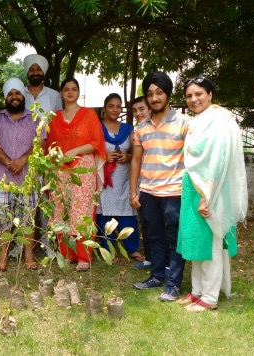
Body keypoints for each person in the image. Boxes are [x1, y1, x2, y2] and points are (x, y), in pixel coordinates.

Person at [176, 77, 248, 312]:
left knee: (211, 245)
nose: (193, 99)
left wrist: (208, 196)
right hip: (194, 187)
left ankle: (209, 298)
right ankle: (197, 292)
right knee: (196, 242)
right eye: (189, 96)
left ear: (210, 94)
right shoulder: (200, 120)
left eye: (199, 94)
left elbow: (218, 162)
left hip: (211, 190)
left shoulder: (219, 120)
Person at [129, 71, 189, 302]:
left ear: (168, 94)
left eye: (159, 93)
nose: (154, 98)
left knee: (175, 238)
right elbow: (136, 160)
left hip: (174, 191)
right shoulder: (141, 128)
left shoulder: (184, 123)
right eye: (150, 94)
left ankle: (173, 284)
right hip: (148, 192)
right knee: (153, 236)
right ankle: (156, 276)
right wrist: (133, 191)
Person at [46, 77, 106, 272]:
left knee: (81, 210)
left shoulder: (88, 115)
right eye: (66, 89)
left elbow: (97, 142)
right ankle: (66, 253)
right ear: (61, 93)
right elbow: (49, 146)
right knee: (62, 209)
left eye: (74, 89)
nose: (70, 92)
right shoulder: (54, 117)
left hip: (83, 168)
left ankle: (83, 255)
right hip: (60, 169)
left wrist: (74, 151)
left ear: (78, 93)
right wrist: (56, 159)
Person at [7, 54, 63, 259]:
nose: (35, 72)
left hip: (46, 157)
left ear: (44, 72)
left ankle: (47, 244)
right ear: (27, 72)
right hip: (21, 158)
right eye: (32, 69)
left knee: (46, 203)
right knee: (22, 204)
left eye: (39, 69)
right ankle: (19, 245)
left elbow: (57, 125)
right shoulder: (19, 93)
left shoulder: (54, 96)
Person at [0, 78, 41, 271]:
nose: (14, 97)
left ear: (23, 96)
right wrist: (10, 162)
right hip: (2, 177)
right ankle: (2, 256)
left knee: (28, 218)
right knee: (3, 218)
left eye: (17, 93)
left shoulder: (35, 118)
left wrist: (24, 159)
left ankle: (29, 256)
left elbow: (40, 144)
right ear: (6, 97)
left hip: (27, 177)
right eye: (10, 93)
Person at [95, 93, 144, 264]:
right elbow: (90, 149)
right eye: (111, 106)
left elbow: (136, 151)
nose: (115, 109)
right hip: (104, 178)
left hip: (124, 177)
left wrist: (127, 156)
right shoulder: (96, 127)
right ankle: (107, 249)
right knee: (104, 212)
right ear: (104, 109)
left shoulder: (128, 129)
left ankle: (131, 248)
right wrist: (103, 156)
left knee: (127, 212)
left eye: (118, 106)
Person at [130, 95, 153, 270]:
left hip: (161, 184)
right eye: (135, 110)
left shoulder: (157, 128)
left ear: (150, 108)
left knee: (161, 226)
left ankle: (164, 262)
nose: (138, 113)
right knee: (146, 221)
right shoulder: (139, 130)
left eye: (141, 109)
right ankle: (150, 258)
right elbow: (136, 160)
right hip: (143, 182)